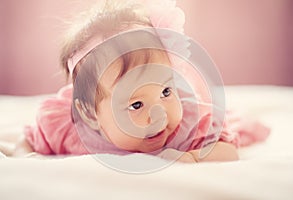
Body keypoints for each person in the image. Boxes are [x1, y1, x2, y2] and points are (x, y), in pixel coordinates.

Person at [22, 0, 270, 163]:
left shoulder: (188, 123)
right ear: (90, 115)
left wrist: (193, 158)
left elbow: (228, 151)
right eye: (136, 105)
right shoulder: (67, 127)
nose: (160, 114)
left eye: (165, 92)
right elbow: (33, 138)